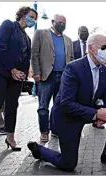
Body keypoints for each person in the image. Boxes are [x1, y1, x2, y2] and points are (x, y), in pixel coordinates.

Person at [27, 34, 106, 171]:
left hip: (86, 109)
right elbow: (66, 103)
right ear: (91, 48)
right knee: (68, 164)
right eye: (103, 47)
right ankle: (40, 150)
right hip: (68, 117)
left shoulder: (103, 70)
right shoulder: (73, 68)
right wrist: (96, 114)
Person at [0, 6, 37, 152]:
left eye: (35, 19)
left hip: (16, 77)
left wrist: (23, 73)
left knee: (12, 107)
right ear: (23, 15)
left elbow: (26, 58)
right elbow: (1, 47)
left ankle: (10, 137)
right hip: (0, 72)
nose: (33, 20)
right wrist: (12, 69)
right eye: (32, 16)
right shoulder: (8, 25)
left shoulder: (27, 38)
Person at [31, 14, 74, 142]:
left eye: (64, 23)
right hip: (46, 76)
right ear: (53, 22)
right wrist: (36, 72)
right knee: (43, 106)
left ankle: (55, 129)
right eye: (60, 22)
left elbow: (71, 59)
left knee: (59, 106)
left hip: (63, 77)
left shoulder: (68, 40)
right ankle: (44, 132)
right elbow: (34, 54)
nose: (62, 25)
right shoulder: (40, 34)